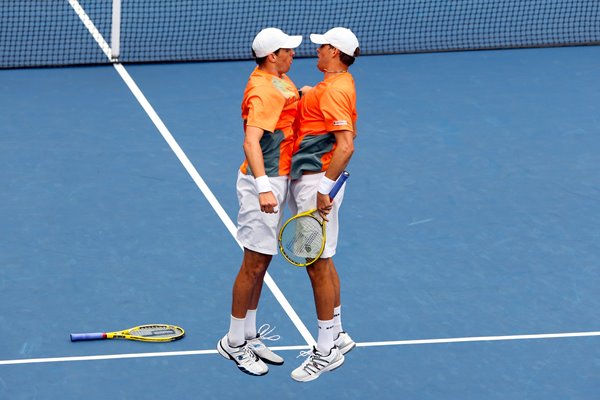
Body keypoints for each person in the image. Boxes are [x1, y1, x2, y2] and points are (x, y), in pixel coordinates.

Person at [217, 27, 302, 377]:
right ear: (272, 56)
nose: (293, 54)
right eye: (287, 51)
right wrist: (264, 187)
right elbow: (251, 142)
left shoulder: (280, 80)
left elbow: (289, 109)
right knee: (253, 263)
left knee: (263, 261)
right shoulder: (264, 91)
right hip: (262, 183)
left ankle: (249, 334)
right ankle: (233, 343)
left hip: (278, 177)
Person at [288, 27, 360, 382]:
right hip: (317, 182)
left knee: (314, 264)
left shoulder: (333, 92)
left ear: (333, 51)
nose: (316, 52)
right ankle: (338, 334)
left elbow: (346, 145)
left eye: (321, 48)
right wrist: (306, 94)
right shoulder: (334, 85)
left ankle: (325, 350)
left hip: (317, 183)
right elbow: (322, 103)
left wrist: (325, 189)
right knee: (324, 259)